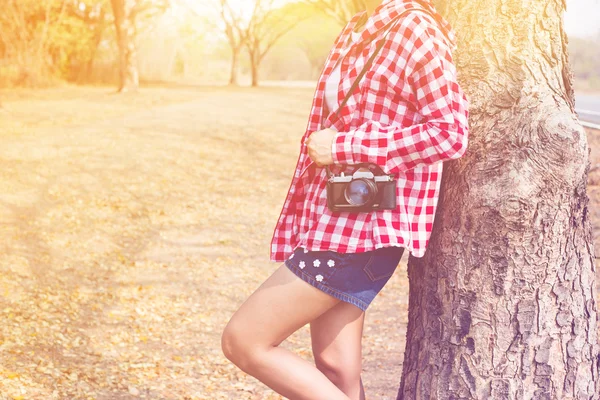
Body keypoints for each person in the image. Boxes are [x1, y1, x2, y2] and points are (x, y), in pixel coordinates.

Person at [221, 0, 469, 398]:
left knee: (244, 341)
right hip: (339, 217)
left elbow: (449, 132)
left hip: (365, 231)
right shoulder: (359, 28)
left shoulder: (415, 29)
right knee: (336, 372)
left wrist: (345, 146)